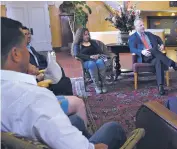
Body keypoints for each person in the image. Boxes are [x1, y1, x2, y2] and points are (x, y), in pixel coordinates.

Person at [1, 17, 126, 149]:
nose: (28, 50)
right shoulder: (36, 98)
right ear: (16, 54)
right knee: (114, 128)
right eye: (24, 47)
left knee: (76, 121)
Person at [128, 18, 177, 95]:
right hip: (144, 57)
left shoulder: (148, 34)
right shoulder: (133, 37)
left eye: (143, 25)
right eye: (140, 25)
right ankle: (174, 65)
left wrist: (162, 44)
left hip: (154, 56)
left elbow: (158, 38)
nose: (143, 26)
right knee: (153, 50)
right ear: (135, 27)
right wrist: (142, 51)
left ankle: (160, 86)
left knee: (158, 61)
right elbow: (132, 49)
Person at [73, 28, 110, 94]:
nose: (87, 36)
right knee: (92, 64)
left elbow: (100, 51)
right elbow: (77, 54)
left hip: (96, 59)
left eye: (88, 34)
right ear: (80, 36)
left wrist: (97, 55)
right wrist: (89, 57)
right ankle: (97, 86)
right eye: (85, 35)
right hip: (87, 61)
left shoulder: (93, 42)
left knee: (100, 62)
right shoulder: (77, 45)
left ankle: (103, 84)